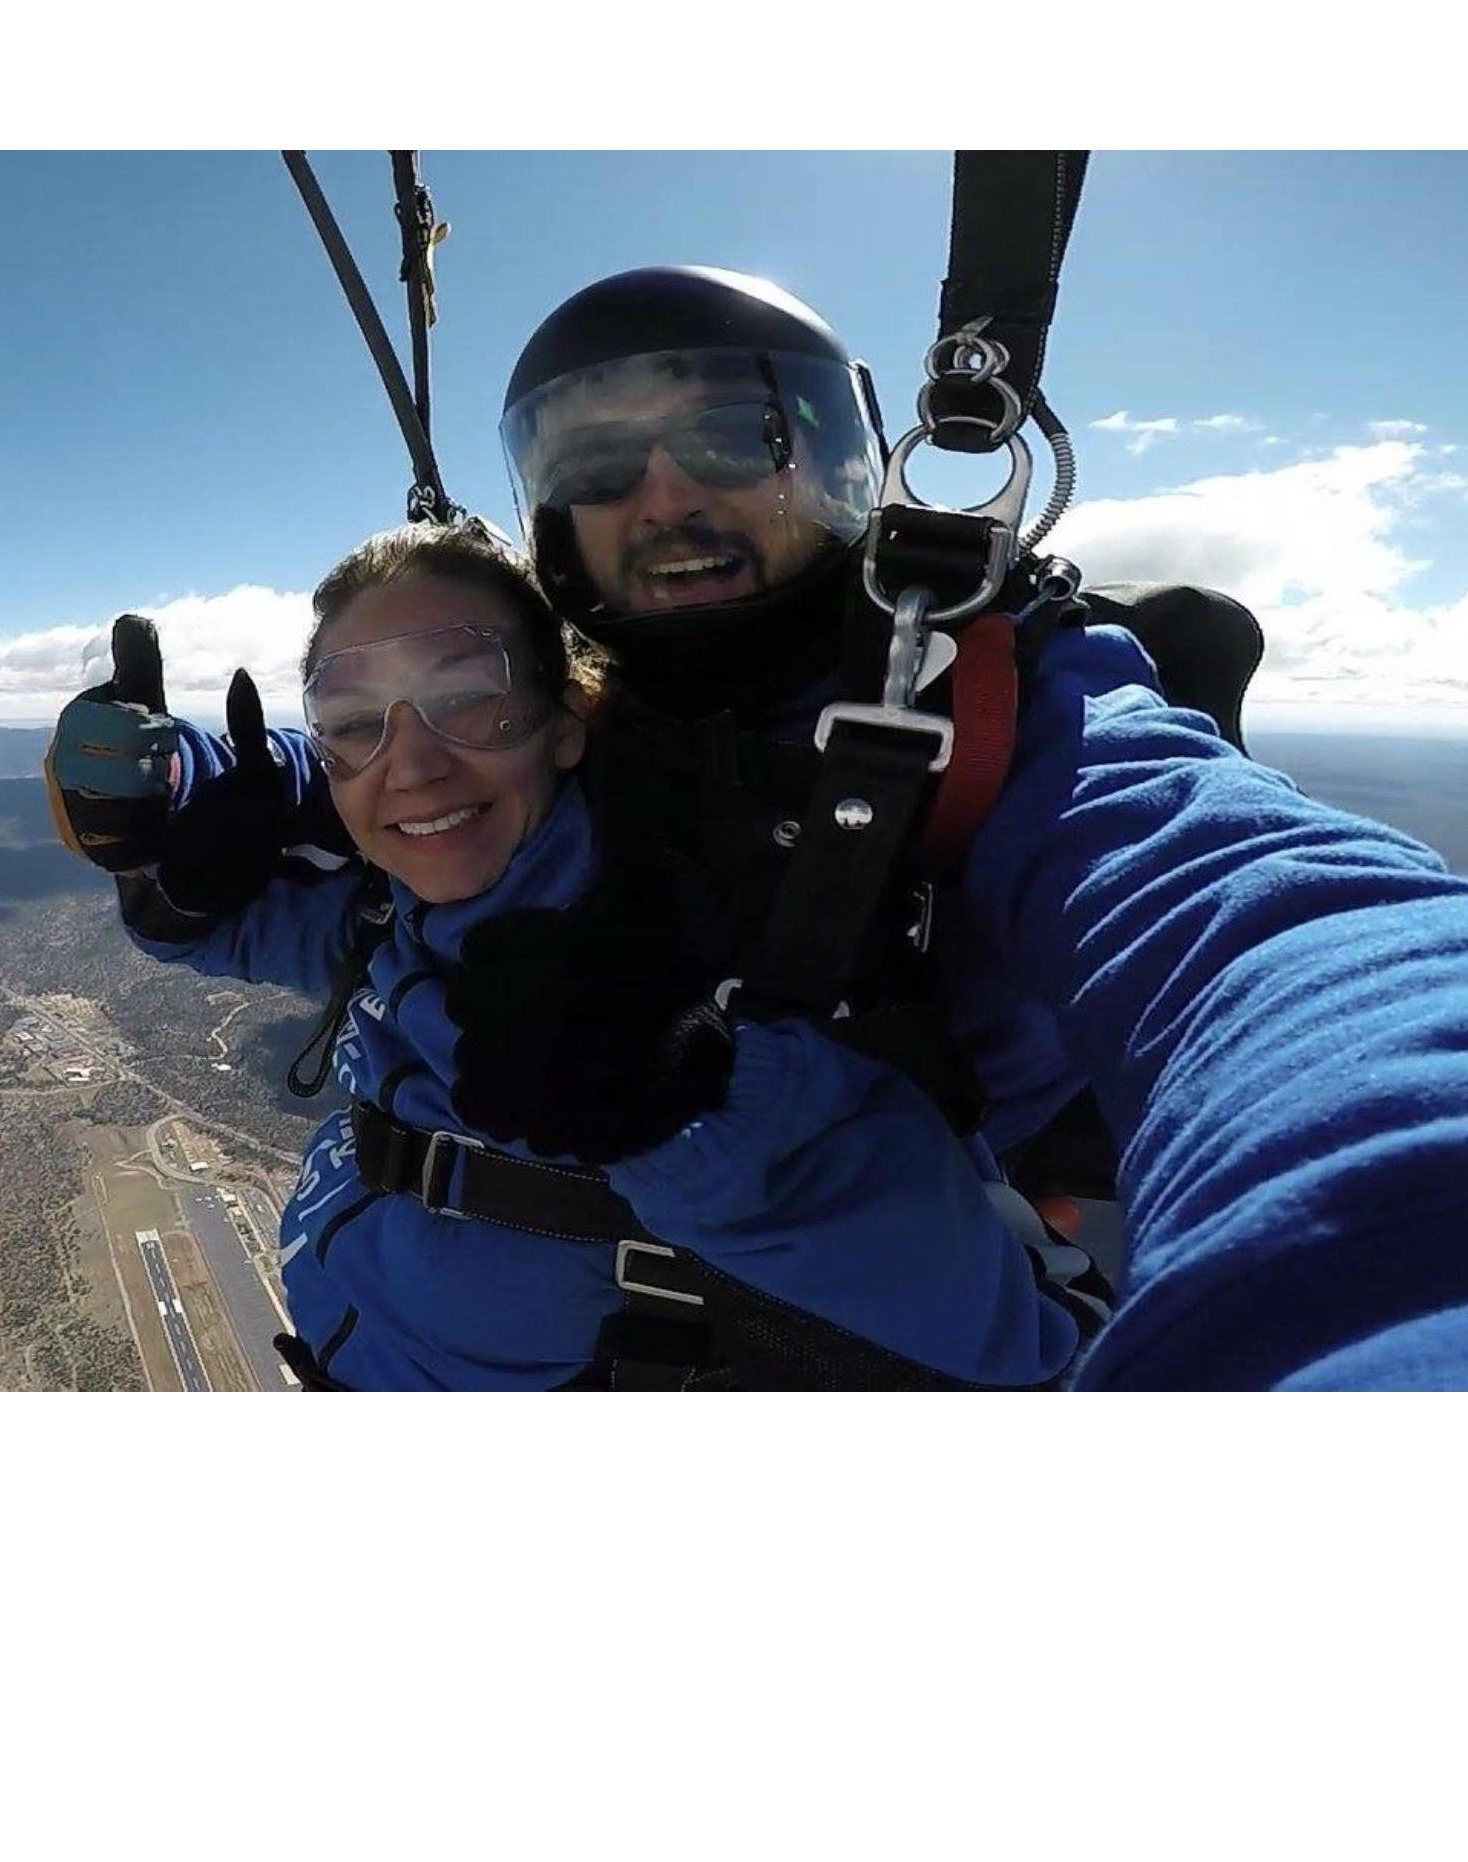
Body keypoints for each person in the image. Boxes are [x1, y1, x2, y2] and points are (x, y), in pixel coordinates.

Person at [463, 263, 1468, 1389]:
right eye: (598, 461)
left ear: (832, 454)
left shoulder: (997, 693)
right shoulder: (563, 718)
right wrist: (224, 810)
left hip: (921, 1282)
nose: (662, 497)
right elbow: (351, 775)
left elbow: (1248, 914)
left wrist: (1397, 1235)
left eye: (732, 437)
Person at [46, 517, 1105, 1390]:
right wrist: (160, 817)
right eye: (351, 720)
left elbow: (1021, 1344)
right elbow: (201, 924)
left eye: (467, 696)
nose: (407, 764)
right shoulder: (393, 903)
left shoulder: (728, 937)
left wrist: (686, 1111)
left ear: (565, 719)